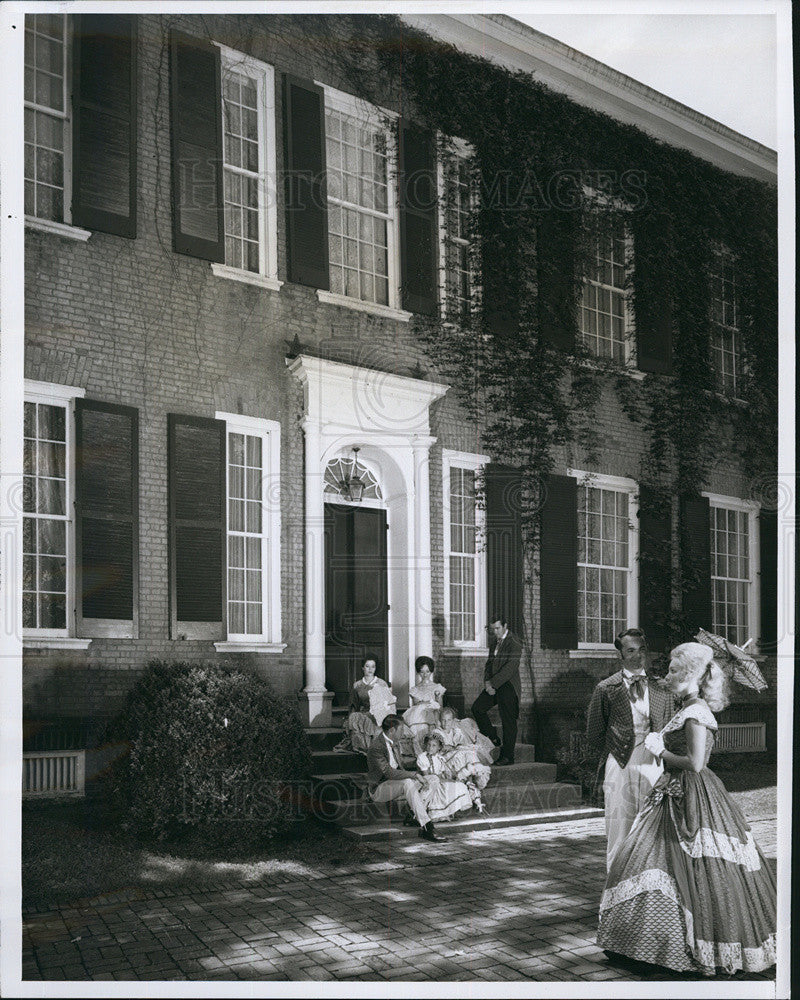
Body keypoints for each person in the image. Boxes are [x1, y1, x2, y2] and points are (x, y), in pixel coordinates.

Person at [597, 642, 776, 976]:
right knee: (641, 858)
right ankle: (640, 943)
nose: (668, 675)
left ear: (692, 674)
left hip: (692, 795)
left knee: (682, 866)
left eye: (675, 670)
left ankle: (678, 946)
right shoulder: (687, 708)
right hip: (671, 791)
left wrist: (660, 751)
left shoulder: (696, 713)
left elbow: (694, 763)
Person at [586, 627, 676, 869]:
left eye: (641, 649)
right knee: (619, 827)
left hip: (653, 763)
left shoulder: (661, 687)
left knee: (654, 826)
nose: (637, 655)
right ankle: (615, 893)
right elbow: (594, 733)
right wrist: (616, 746)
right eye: (631, 651)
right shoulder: (606, 688)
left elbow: (671, 725)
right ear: (621, 655)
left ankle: (650, 891)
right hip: (620, 761)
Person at [366, 715, 443, 841]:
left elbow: (399, 766)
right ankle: (427, 827)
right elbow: (388, 773)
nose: (404, 733)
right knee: (408, 781)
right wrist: (415, 775)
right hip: (379, 788)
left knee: (433, 778)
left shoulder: (394, 742)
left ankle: (413, 816)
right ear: (392, 730)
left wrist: (419, 768)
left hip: (396, 784)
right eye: (401, 730)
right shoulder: (376, 747)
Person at [471, 615, 522, 765]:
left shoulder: (514, 642)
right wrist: (487, 683)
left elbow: (510, 668)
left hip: (508, 685)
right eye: (492, 629)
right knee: (478, 708)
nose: (495, 632)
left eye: (498, 628)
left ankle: (508, 756)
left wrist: (493, 684)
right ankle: (493, 737)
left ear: (505, 626)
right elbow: (489, 664)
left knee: (508, 721)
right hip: (493, 684)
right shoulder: (495, 643)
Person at [336, 657, 396, 755]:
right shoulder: (357, 685)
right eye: (367, 666)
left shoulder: (382, 683)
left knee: (375, 726)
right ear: (363, 668)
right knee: (355, 718)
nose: (370, 669)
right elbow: (354, 704)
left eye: (373, 666)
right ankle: (362, 746)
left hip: (378, 714)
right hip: (364, 713)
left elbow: (388, 703)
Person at [416, 733, 477, 820]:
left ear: (439, 748)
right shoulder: (422, 757)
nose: (430, 747)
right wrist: (445, 781)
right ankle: (438, 812)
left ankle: (452, 811)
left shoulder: (439, 758)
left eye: (434, 745)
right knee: (449, 786)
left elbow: (441, 775)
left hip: (438, 781)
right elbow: (427, 776)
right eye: (429, 745)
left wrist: (451, 779)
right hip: (428, 783)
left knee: (459, 785)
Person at [432, 706, 492, 790]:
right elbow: (440, 747)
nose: (446, 723)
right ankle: (464, 776)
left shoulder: (455, 731)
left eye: (449, 720)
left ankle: (476, 774)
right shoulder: (437, 732)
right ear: (440, 721)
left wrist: (460, 746)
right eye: (443, 720)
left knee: (469, 752)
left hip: (454, 754)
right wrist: (452, 747)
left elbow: (461, 742)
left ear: (453, 721)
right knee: (461, 753)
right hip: (444, 759)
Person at [402, 656, 446, 751]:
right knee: (415, 726)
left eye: (427, 671)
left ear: (431, 671)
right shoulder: (415, 689)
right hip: (417, 718)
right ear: (418, 672)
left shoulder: (437, 687)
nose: (425, 674)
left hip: (432, 716)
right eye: (422, 671)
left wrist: (435, 701)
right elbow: (415, 707)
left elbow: (440, 707)